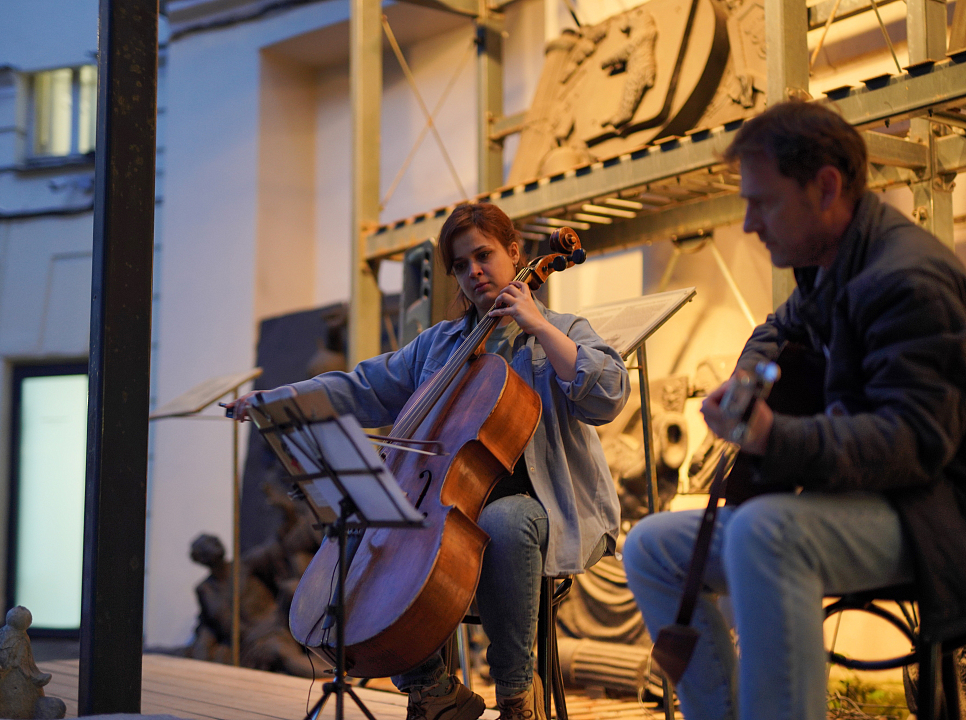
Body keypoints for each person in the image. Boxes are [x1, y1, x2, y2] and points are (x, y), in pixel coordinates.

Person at [622, 100, 966, 720]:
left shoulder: (907, 279)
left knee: (764, 530)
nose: (749, 223)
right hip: (859, 499)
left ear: (826, 188)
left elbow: (916, 440)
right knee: (650, 546)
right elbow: (778, 328)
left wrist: (773, 437)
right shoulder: (829, 265)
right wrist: (746, 383)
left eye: (763, 202)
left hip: (932, 514)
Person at [231, 203, 629, 720]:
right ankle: (433, 691)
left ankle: (516, 694)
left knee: (506, 520)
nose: (474, 272)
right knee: (388, 531)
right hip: (448, 506)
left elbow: (609, 396)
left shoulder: (563, 328)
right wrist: (279, 399)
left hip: (547, 509)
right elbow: (361, 386)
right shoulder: (439, 346)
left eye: (483, 256)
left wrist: (539, 326)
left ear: (514, 253)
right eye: (461, 266)